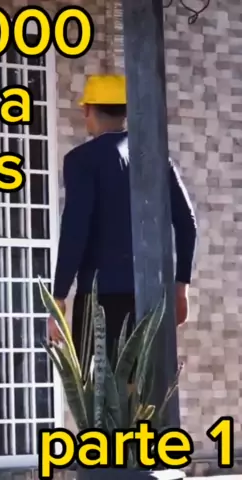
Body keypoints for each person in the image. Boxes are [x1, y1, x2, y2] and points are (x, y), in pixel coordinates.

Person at [48, 74, 198, 365]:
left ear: (88, 110)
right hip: (150, 299)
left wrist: (59, 297)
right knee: (146, 388)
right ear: (125, 112)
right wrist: (181, 288)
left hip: (99, 301)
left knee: (98, 391)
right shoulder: (157, 159)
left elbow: (75, 230)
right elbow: (187, 223)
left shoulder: (81, 160)